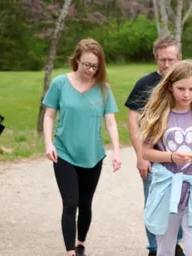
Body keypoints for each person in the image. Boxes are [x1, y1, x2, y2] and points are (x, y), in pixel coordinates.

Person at [41, 38, 122, 256]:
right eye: (86, 64)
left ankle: (81, 244)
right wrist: (48, 143)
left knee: (85, 204)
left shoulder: (103, 88)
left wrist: (116, 150)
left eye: (95, 66)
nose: (90, 69)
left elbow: (111, 121)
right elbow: (49, 116)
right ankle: (70, 252)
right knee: (70, 202)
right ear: (76, 60)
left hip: (92, 156)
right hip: (64, 152)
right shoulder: (59, 83)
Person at [139, 60, 192, 256]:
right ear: (170, 86)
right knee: (166, 249)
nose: (187, 94)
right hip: (167, 187)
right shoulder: (159, 115)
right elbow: (146, 152)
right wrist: (171, 156)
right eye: (181, 88)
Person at [125, 36, 185, 256]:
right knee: (154, 203)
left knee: (180, 203)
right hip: (153, 157)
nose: (166, 64)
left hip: (181, 158)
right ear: (156, 59)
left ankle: (175, 244)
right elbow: (132, 121)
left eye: (171, 59)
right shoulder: (145, 84)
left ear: (180, 58)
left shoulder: (186, 84)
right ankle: (154, 247)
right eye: (162, 60)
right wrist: (140, 156)